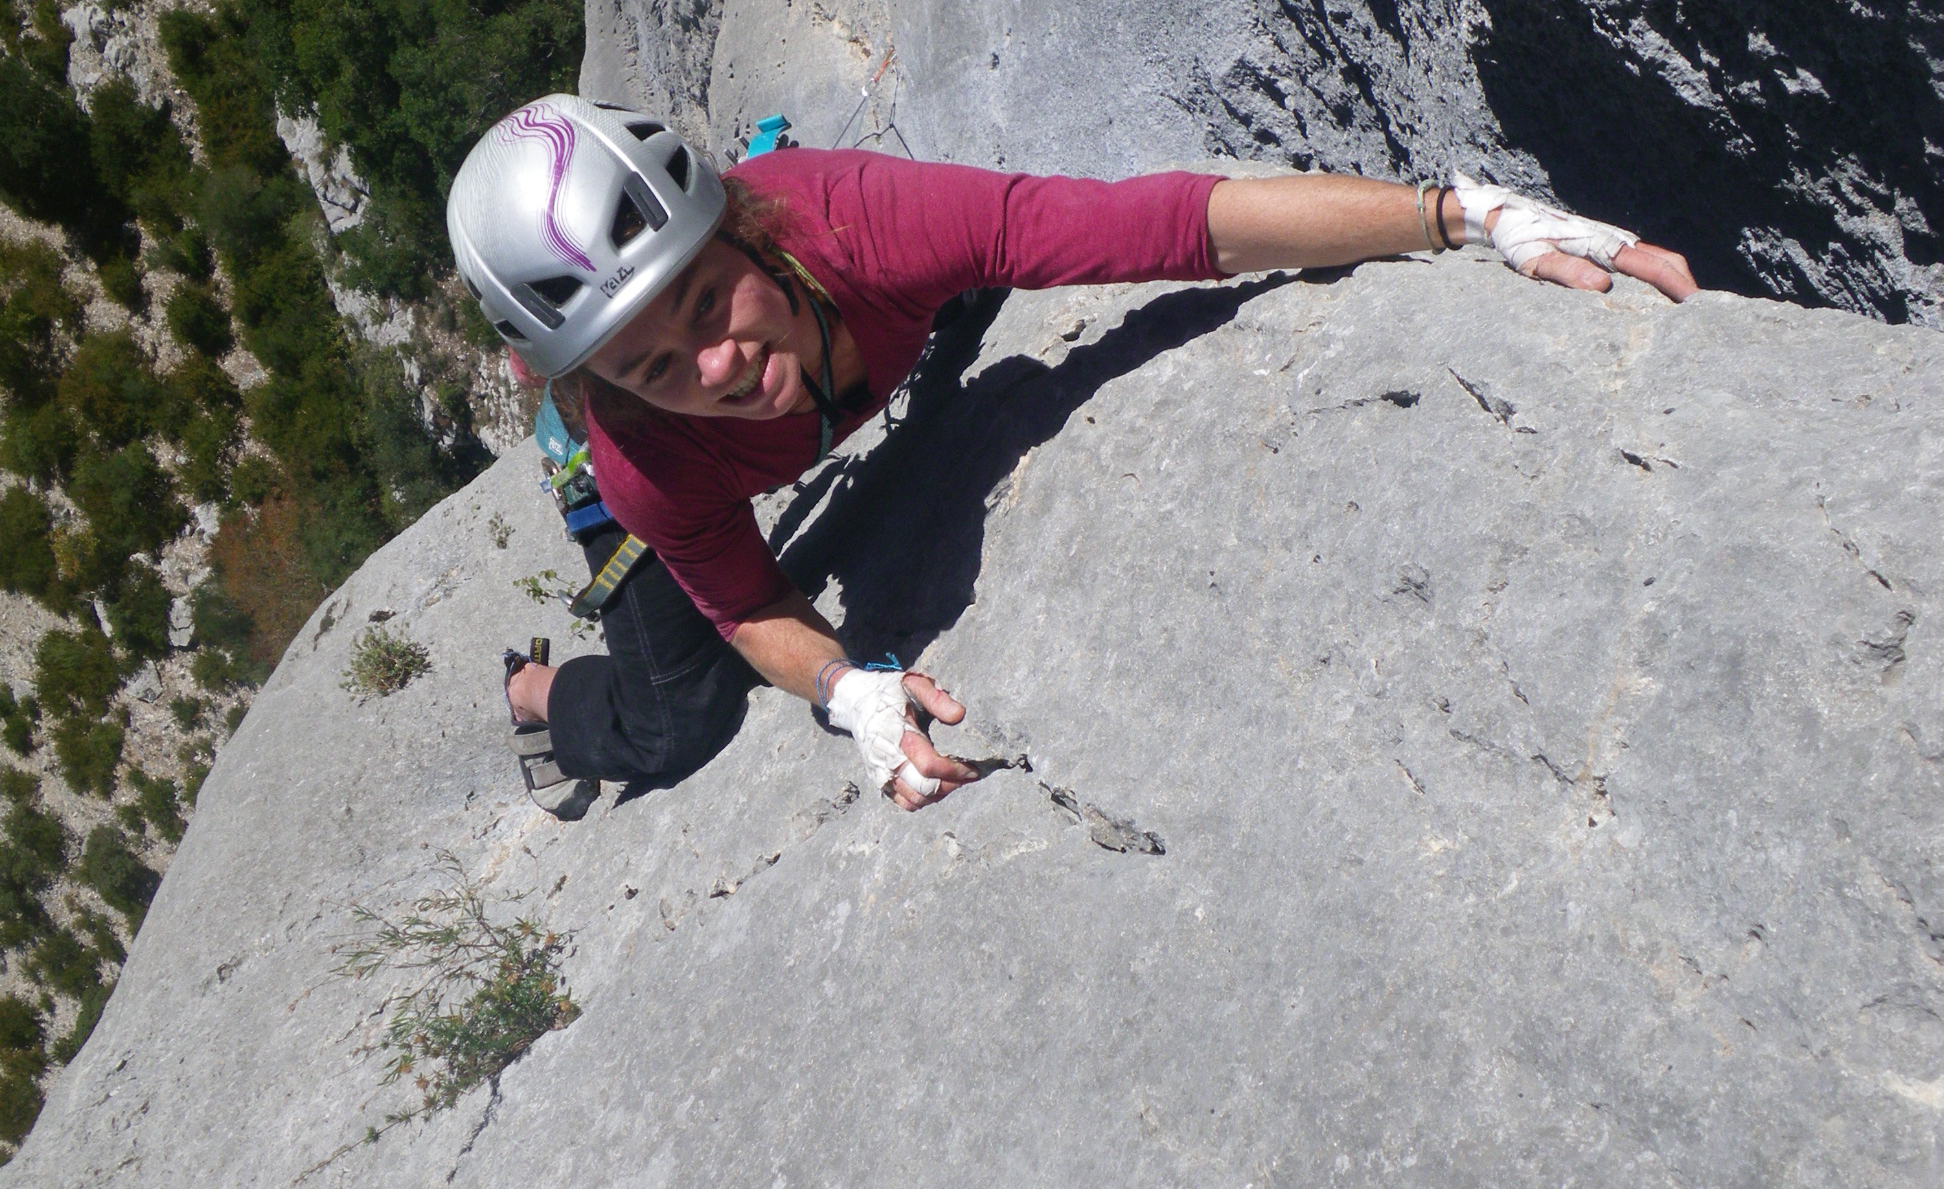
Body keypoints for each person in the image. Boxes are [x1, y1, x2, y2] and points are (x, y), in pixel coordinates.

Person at [447, 98, 1695, 816]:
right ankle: (537, 696)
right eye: (656, 365)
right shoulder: (644, 461)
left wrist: (1464, 215)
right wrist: (847, 689)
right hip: (672, 523)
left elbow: (1164, 223)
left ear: (744, 234)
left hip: (863, 323)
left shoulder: (858, 221)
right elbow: (749, 605)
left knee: (978, 288)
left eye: (710, 305)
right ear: (604, 388)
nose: (713, 365)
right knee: (680, 725)